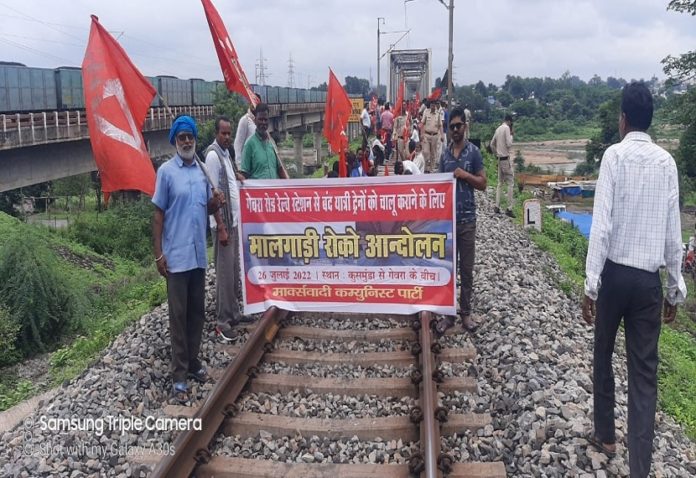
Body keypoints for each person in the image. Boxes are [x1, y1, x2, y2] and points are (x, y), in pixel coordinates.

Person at [582, 82, 686, 478]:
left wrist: (590, 284)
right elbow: (673, 235)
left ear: (623, 119)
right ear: (649, 118)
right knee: (644, 375)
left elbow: (601, 227)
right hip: (647, 284)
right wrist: (675, 289)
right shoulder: (667, 163)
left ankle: (606, 434)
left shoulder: (614, 157)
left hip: (613, 275)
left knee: (603, 353)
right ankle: (639, 468)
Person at [152, 115, 225, 404]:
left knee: (197, 314)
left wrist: (215, 203)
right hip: (176, 258)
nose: (186, 141)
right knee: (178, 318)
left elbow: (205, 208)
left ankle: (193, 363)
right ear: (175, 140)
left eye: (190, 136)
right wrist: (158, 254)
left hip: (197, 256)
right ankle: (179, 374)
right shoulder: (166, 173)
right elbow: (158, 216)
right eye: (181, 137)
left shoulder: (202, 171)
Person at [437, 108, 486, 333]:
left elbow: (483, 183)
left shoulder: (474, 153)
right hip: (448, 223)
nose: (455, 130)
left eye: (459, 125)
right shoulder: (444, 156)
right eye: (452, 126)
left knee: (466, 270)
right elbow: (438, 187)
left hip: (467, 221)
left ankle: (465, 314)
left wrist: (465, 175)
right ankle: (448, 315)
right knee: (448, 270)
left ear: (465, 126)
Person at [204, 116, 251, 342]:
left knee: (233, 272)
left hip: (232, 223)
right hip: (222, 225)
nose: (227, 137)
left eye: (229, 133)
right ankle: (222, 322)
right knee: (224, 275)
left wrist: (238, 176)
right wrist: (220, 225)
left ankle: (234, 313)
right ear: (216, 133)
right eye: (223, 133)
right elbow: (212, 194)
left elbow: (229, 181)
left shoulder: (226, 154)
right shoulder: (213, 156)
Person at [240, 103, 289, 180]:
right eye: (260, 119)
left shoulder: (272, 144)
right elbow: (244, 173)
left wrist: (290, 185)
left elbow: (280, 170)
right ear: (255, 120)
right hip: (257, 191)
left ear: (268, 120)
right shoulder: (249, 145)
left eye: (265, 119)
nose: (263, 122)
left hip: (273, 190)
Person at [490, 114, 515, 217]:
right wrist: (512, 135)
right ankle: (509, 208)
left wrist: (496, 154)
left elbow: (492, 144)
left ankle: (497, 206)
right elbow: (509, 144)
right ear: (509, 121)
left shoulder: (498, 129)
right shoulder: (507, 129)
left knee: (500, 183)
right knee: (510, 182)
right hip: (505, 159)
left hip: (499, 159)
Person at [233, 93, 262, 168]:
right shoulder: (245, 120)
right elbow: (238, 145)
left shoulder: (260, 122)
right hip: (246, 165)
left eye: (255, 102)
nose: (253, 104)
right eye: (251, 101)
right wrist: (239, 166)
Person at [421, 99, 443, 173]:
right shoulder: (426, 112)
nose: (433, 106)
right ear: (430, 105)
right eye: (431, 105)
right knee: (426, 152)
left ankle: (432, 169)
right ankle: (425, 168)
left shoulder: (438, 114)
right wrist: (421, 134)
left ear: (435, 106)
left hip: (435, 136)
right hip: (427, 135)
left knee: (433, 154)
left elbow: (440, 126)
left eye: (434, 105)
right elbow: (422, 124)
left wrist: (442, 135)